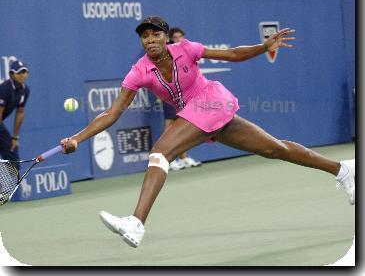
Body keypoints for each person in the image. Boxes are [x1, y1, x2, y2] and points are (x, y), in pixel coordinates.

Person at [61, 16, 355, 248]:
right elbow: (113, 113)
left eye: (155, 34)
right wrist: (78, 138)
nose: (150, 40)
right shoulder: (138, 71)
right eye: (144, 36)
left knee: (159, 153)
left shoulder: (186, 49)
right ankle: (343, 170)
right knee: (275, 149)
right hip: (198, 116)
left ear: (166, 37)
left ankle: (136, 222)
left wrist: (263, 47)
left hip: (212, 102)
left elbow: (232, 54)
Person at [164, 27, 202, 170]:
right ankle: (169, 160)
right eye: (176, 37)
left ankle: (184, 157)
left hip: (182, 95)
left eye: (181, 37)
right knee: (170, 127)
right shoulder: (166, 52)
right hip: (169, 95)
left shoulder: (184, 52)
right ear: (170, 39)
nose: (179, 39)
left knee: (181, 127)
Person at [0, 60, 30, 169]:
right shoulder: (4, 89)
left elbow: (20, 112)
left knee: (12, 149)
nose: (23, 75)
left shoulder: (25, 91)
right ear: (12, 74)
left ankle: (13, 183)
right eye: (19, 72)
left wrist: (15, 137)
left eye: (24, 72)